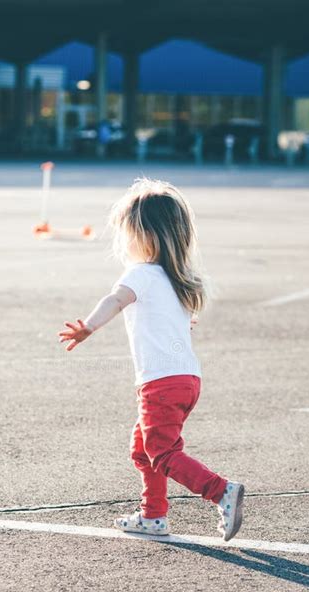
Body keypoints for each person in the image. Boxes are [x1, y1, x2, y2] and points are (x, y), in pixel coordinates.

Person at [58, 178, 244, 540]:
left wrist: (88, 327)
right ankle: (153, 516)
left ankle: (220, 490)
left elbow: (114, 300)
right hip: (186, 380)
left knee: (161, 451)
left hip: (159, 382)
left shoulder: (140, 274)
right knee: (144, 449)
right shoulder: (177, 279)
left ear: (146, 235)